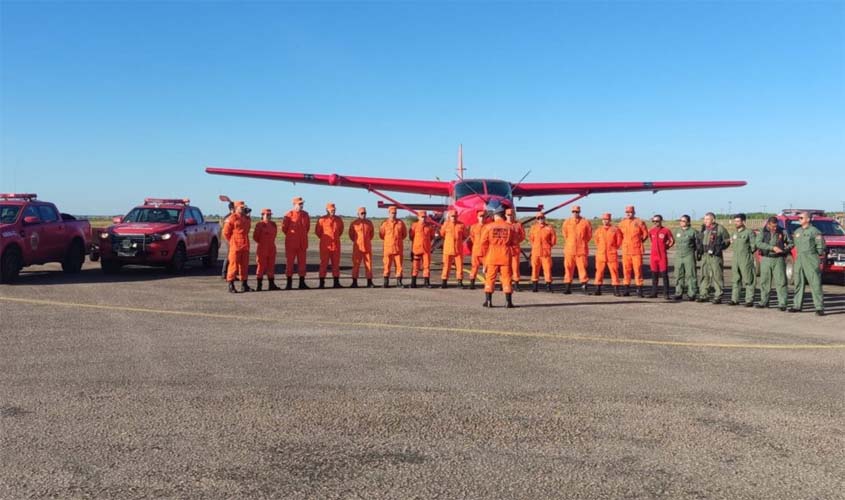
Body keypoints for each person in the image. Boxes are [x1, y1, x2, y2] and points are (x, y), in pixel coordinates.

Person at [789, 211, 826, 315]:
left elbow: (821, 246)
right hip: (799, 259)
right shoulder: (797, 231)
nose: (799, 219)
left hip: (811, 258)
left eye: (801, 218)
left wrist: (818, 256)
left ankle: (819, 307)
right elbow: (792, 244)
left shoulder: (815, 231)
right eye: (798, 218)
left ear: (808, 219)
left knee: (815, 283)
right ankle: (797, 305)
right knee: (798, 282)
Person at [480, 206, 517, 308]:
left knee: (490, 278)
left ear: (495, 215)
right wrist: (512, 253)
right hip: (505, 255)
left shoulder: (488, 227)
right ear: (503, 215)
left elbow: (483, 243)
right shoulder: (510, 227)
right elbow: (515, 243)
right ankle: (508, 302)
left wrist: (484, 258)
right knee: (507, 278)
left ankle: (488, 301)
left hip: (492, 255)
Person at [755, 216, 792, 311]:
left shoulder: (783, 231)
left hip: (778, 259)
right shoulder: (762, 231)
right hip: (766, 259)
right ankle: (764, 301)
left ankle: (782, 303)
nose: (775, 228)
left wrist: (784, 250)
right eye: (772, 226)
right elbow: (758, 243)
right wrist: (772, 248)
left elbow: (791, 243)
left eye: (776, 226)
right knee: (764, 281)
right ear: (768, 224)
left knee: (781, 281)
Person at [697, 212, 731, 304]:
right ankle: (704, 294)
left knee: (717, 275)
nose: (705, 221)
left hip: (715, 256)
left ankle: (718, 295)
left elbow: (727, 240)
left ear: (713, 220)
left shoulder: (720, 228)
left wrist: (719, 248)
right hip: (705, 255)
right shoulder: (703, 229)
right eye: (704, 219)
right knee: (704, 275)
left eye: (707, 219)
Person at [561, 205, 592, 294]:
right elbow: (565, 235)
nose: (575, 213)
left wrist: (582, 243)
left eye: (577, 212)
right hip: (569, 250)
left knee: (582, 269)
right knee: (568, 268)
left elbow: (588, 236)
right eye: (574, 212)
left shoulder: (585, 222)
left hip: (581, 250)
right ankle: (567, 287)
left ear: (579, 212)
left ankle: (584, 286)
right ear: (572, 212)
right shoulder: (567, 222)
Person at [618, 205, 649, 297]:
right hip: (626, 251)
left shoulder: (639, 222)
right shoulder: (622, 223)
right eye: (627, 212)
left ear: (634, 212)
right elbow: (619, 235)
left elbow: (645, 234)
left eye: (630, 212)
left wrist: (639, 242)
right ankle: (626, 289)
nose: (628, 214)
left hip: (636, 250)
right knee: (626, 270)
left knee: (638, 270)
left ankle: (639, 289)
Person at [222, 201, 251, 293]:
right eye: (241, 207)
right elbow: (226, 232)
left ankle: (244, 284)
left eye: (243, 207)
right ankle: (231, 284)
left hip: (245, 245)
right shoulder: (231, 218)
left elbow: (248, 229)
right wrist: (232, 241)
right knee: (233, 265)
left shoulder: (246, 218)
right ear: (236, 208)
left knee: (244, 266)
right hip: (235, 245)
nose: (242, 209)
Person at [282, 196, 310, 289]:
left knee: (302, 263)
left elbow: (307, 228)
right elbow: (284, 229)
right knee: (289, 263)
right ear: (294, 204)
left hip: (302, 243)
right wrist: (292, 236)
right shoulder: (289, 215)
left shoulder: (306, 215)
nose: (302, 205)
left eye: (302, 204)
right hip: (291, 243)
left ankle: (302, 282)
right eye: (300, 203)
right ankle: (289, 283)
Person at [729, 213, 756, 307]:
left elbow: (753, 246)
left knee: (748, 279)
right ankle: (734, 299)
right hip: (735, 258)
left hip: (745, 258)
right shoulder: (734, 233)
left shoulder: (749, 232)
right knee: (735, 279)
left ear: (743, 222)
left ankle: (749, 300)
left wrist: (747, 254)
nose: (736, 223)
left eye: (738, 221)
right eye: (735, 221)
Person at [593, 212, 623, 296]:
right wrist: (601, 248)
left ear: (610, 220)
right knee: (599, 271)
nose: (605, 221)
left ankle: (616, 289)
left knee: (614, 272)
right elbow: (596, 241)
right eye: (604, 219)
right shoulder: (598, 230)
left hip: (611, 254)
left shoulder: (615, 230)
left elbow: (619, 241)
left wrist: (613, 248)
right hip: (601, 254)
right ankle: (597, 289)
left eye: (607, 219)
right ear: (602, 220)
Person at [315, 202, 345, 289]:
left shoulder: (338, 220)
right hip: (325, 245)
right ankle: (321, 282)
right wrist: (325, 239)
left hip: (335, 245)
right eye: (331, 210)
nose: (333, 211)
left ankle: (336, 282)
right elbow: (318, 232)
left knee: (336, 264)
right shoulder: (322, 220)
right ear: (327, 210)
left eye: (334, 210)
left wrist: (334, 238)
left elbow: (340, 231)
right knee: (323, 263)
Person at [672, 215, 699, 301]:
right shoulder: (677, 231)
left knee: (691, 274)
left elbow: (698, 245)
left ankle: (692, 293)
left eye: (683, 221)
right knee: (678, 274)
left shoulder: (693, 232)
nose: (681, 222)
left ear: (688, 222)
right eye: (680, 220)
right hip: (679, 255)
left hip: (689, 255)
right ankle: (678, 292)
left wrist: (697, 254)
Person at [647, 214, 675, 300]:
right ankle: (654, 292)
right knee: (654, 275)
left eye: (657, 221)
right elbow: (651, 241)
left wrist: (666, 247)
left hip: (662, 256)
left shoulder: (666, 230)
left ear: (661, 221)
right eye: (654, 221)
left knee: (664, 275)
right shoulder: (651, 231)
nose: (655, 223)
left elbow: (672, 241)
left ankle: (666, 293)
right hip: (653, 256)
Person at [253, 208, 280, 291]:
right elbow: (255, 237)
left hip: (271, 247)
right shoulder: (259, 224)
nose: (269, 216)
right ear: (262, 215)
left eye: (270, 215)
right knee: (260, 266)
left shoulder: (273, 224)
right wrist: (262, 243)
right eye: (267, 215)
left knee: (271, 266)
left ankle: (271, 284)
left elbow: (274, 235)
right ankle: (259, 285)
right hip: (262, 248)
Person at [380, 206, 407, 288]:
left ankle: (399, 282)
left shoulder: (400, 223)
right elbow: (381, 235)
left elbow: (404, 235)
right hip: (388, 249)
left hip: (398, 249)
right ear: (389, 213)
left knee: (399, 266)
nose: (394, 214)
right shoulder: (384, 224)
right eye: (392, 213)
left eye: (395, 213)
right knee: (386, 265)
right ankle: (386, 282)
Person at [529, 212, 556, 292]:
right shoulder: (533, 228)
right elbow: (531, 239)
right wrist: (535, 247)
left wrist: (548, 246)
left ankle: (548, 286)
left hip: (545, 253)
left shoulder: (549, 228)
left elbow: (553, 240)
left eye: (542, 218)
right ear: (536, 219)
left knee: (547, 269)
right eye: (538, 218)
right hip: (536, 253)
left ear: (544, 218)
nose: (540, 219)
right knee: (535, 270)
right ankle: (535, 286)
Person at [348, 206, 375, 288]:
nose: (363, 214)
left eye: (365, 213)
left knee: (369, 265)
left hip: (367, 247)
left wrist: (366, 241)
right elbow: (351, 235)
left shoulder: (369, 223)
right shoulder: (354, 224)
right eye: (362, 213)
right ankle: (354, 282)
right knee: (356, 265)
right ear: (358, 214)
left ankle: (369, 282)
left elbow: (371, 235)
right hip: (358, 248)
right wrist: (357, 241)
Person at [439, 210, 467, 288]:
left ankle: (460, 281)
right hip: (448, 249)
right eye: (452, 216)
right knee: (446, 266)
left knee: (459, 266)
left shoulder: (461, 225)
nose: (453, 218)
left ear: (457, 216)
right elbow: (442, 234)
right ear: (449, 217)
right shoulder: (445, 224)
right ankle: (444, 282)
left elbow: (465, 235)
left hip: (458, 250)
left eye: (455, 216)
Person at [409, 210, 435, 288]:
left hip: (426, 250)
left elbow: (432, 236)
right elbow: (411, 236)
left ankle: (426, 282)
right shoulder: (414, 226)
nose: (423, 218)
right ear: (418, 217)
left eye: (424, 217)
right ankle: (413, 282)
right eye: (421, 217)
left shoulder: (429, 226)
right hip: (417, 250)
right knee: (415, 266)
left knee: (426, 266)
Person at [505, 208, 526, 291]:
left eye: (511, 215)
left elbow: (523, 235)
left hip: (515, 249)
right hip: (505, 249)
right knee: (505, 268)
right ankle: (505, 283)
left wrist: (516, 241)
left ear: (514, 215)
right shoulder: (503, 224)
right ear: (505, 215)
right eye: (508, 215)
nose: (510, 217)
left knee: (515, 267)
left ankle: (516, 284)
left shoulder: (518, 225)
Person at [468, 210, 488, 290]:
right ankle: (472, 283)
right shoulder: (473, 227)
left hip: (486, 252)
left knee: (487, 268)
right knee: (474, 267)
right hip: (476, 251)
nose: (482, 218)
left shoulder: (488, 227)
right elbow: (472, 237)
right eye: (480, 216)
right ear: (477, 217)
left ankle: (488, 283)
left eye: (483, 216)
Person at [220, 201, 236, 279]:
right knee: (230, 255)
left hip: (233, 238)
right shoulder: (228, 217)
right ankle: (225, 272)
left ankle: (231, 273)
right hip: (229, 239)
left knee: (233, 256)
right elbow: (225, 230)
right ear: (232, 208)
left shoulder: (233, 216)